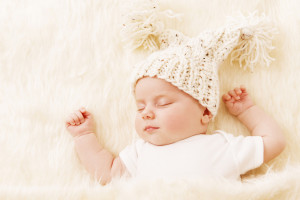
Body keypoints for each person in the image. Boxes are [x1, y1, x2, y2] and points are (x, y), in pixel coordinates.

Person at [65, 13, 285, 185]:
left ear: (205, 113)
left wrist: (247, 112)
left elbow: (273, 142)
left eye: (163, 103)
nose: (146, 113)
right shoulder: (141, 151)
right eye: (140, 107)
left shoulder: (222, 146)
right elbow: (107, 173)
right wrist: (84, 136)